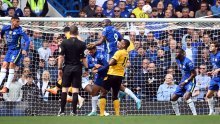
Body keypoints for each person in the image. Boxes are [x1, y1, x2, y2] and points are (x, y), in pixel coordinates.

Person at [92, 19, 141, 109]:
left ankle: (100, 104)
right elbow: (123, 42)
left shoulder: (106, 29)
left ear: (107, 24)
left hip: (111, 56)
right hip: (117, 57)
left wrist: (92, 44)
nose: (103, 25)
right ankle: (133, 98)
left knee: (105, 78)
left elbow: (100, 41)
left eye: (103, 23)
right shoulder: (117, 32)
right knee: (113, 83)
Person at [57, 25, 88, 116]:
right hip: (77, 68)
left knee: (64, 90)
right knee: (75, 91)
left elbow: (61, 57)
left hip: (67, 67)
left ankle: (62, 111)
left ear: (69, 33)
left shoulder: (64, 42)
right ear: (77, 32)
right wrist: (86, 69)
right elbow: (84, 58)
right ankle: (74, 112)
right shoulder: (82, 44)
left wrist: (59, 68)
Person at [99, 39, 130, 116]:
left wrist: (108, 62)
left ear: (124, 45)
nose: (118, 43)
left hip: (112, 74)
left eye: (121, 43)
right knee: (115, 95)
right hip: (120, 76)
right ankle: (117, 114)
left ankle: (102, 113)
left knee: (103, 92)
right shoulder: (126, 53)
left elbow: (111, 62)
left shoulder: (119, 52)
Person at [0, 16, 30, 93]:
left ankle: (6, 87)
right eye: (17, 21)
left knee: (11, 65)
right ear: (12, 21)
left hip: (17, 50)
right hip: (9, 50)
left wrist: (25, 49)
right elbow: (2, 33)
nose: (18, 23)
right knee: (4, 65)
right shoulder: (5, 28)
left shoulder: (20, 30)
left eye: (19, 21)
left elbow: (27, 40)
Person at [170, 48, 197, 115]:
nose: (175, 54)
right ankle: (178, 115)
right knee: (173, 98)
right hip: (184, 79)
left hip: (191, 80)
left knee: (186, 97)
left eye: (177, 53)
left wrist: (186, 81)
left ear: (181, 54)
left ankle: (195, 115)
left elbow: (194, 74)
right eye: (175, 52)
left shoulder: (188, 62)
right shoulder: (177, 59)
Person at [206, 41, 220, 115]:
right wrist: (211, 72)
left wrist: (218, 70)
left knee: (219, 95)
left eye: (212, 46)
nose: (210, 47)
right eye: (210, 46)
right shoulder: (211, 55)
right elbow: (215, 66)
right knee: (208, 95)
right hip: (214, 78)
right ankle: (211, 111)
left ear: (216, 48)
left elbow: (218, 68)